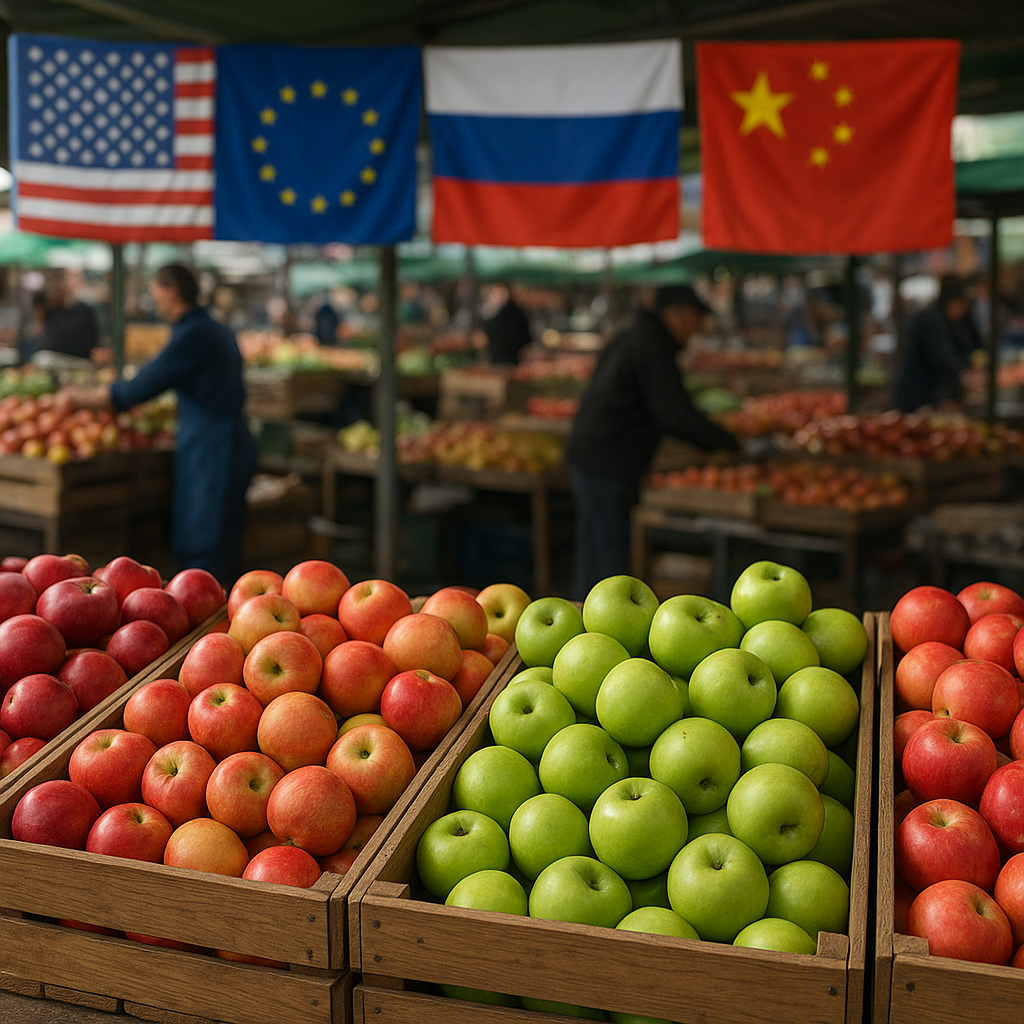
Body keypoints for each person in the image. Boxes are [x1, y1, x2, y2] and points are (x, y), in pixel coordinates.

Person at [64, 264, 257, 584]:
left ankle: (207, 623)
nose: (155, 301)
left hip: (212, 449)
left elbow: (140, 388)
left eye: (156, 292)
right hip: (228, 439)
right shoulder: (213, 327)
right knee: (222, 539)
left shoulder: (192, 334)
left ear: (171, 290)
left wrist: (81, 398)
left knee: (204, 545)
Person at [566, 284, 739, 600]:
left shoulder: (633, 335)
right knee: (609, 558)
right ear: (678, 314)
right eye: (697, 319)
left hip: (592, 455)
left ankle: (583, 620)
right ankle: (602, 631)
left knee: (594, 549)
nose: (698, 329)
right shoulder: (652, 343)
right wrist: (728, 442)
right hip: (608, 462)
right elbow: (673, 412)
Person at [894, 275, 980, 413]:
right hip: (919, 396)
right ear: (954, 302)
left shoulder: (945, 322)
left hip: (927, 394)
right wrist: (962, 378)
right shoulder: (933, 322)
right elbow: (942, 360)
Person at [39, 273, 99, 360]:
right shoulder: (51, 309)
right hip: (53, 357)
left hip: (79, 359)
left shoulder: (84, 310)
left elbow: (94, 336)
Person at [483, 283, 533, 366]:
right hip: (513, 359)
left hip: (498, 359)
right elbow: (527, 339)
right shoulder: (518, 314)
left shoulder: (501, 314)